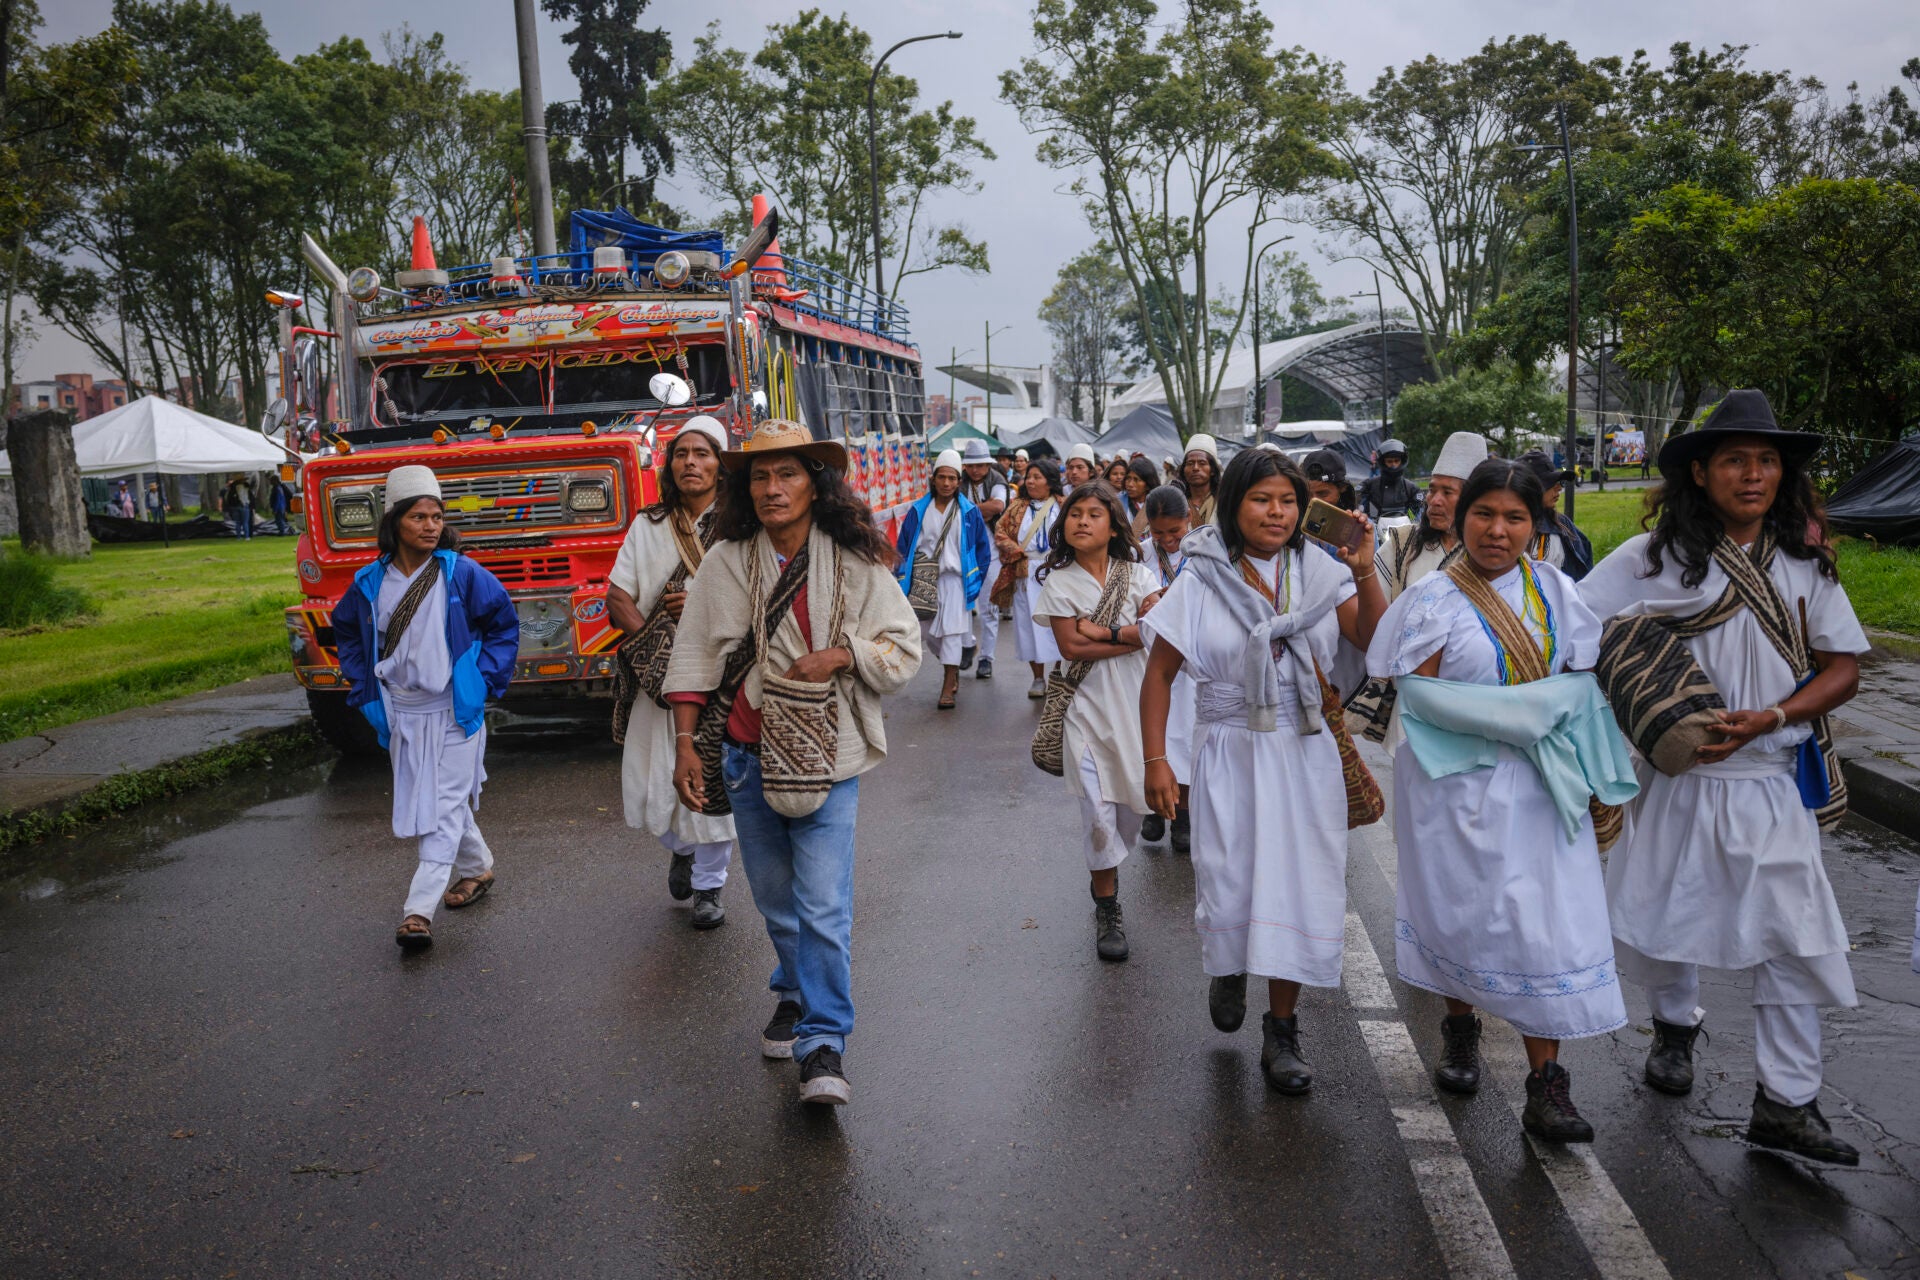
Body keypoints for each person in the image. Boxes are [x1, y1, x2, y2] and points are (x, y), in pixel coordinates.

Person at [1580, 390, 1870, 1165]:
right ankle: (1675, 1028)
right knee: (1667, 917)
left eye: (1767, 460)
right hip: (1679, 779)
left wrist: (1774, 717)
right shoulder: (1648, 562)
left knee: (1797, 940)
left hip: (1771, 781)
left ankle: (1786, 1100)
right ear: (1700, 473)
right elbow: (1575, 636)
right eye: (1736, 460)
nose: (1754, 474)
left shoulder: (1806, 566)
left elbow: (1844, 668)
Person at [1365, 458, 1629, 1142]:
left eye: (1516, 517)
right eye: (1485, 513)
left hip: (1542, 786)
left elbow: (1580, 684)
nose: (1497, 530)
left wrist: (1548, 713)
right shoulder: (1431, 599)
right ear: (1461, 515)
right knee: (1465, 913)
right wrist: (1526, 712)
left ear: (1535, 525)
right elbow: (1420, 697)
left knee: (1547, 926)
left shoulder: (1556, 592)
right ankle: (1460, 1027)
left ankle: (1547, 1085)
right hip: (1456, 788)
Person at [665, 419, 922, 1107]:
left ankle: (823, 1043)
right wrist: (688, 744)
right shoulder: (726, 561)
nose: (773, 488)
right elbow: (694, 655)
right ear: (746, 489)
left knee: (824, 907)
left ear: (817, 484)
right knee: (780, 908)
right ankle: (793, 987)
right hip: (746, 759)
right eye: (760, 476)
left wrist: (841, 655)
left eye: (788, 474)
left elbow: (903, 650)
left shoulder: (857, 560)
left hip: (829, 760)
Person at [1142, 449, 1385, 1095]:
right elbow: (1159, 676)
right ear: (1233, 505)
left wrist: (1364, 572)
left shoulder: (1322, 575)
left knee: (1301, 884)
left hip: (1304, 750)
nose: (1275, 513)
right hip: (1228, 749)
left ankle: (1282, 1031)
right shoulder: (1200, 577)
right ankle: (1228, 966)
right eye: (1260, 499)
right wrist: (1158, 761)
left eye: (1286, 500)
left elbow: (1376, 640)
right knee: (1229, 877)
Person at [332, 465, 519, 953]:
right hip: (401, 714)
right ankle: (477, 869)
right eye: (418, 517)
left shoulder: (461, 572)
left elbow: (503, 623)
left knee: (440, 809)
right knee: (444, 802)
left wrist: (483, 679)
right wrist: (363, 687)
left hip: (456, 712)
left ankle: (417, 911)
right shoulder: (368, 583)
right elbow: (348, 634)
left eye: (436, 516)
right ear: (395, 522)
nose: (430, 526)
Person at [606, 417, 736, 929]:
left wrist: (706, 606)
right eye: (681, 453)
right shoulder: (649, 524)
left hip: (721, 677)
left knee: (716, 784)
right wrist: (654, 652)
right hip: (656, 681)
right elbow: (618, 596)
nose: (691, 462)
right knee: (648, 779)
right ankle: (680, 846)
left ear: (720, 466)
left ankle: (709, 887)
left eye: (703, 453)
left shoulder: (740, 527)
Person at [1033, 481, 1156, 961]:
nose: (1082, 521)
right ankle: (1108, 909)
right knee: (1099, 819)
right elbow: (1072, 647)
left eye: (1093, 514)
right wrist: (1130, 635)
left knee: (1130, 812)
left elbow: (1155, 633)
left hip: (1136, 707)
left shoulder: (1139, 576)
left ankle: (1109, 876)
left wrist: (1105, 630)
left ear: (1113, 525)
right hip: (1085, 712)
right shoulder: (1059, 581)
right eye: (1074, 514)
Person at [896, 449, 993, 710]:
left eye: (952, 478)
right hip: (924, 581)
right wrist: (902, 577)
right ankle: (957, 659)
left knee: (950, 633)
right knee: (926, 633)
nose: (947, 483)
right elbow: (903, 546)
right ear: (934, 479)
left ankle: (948, 683)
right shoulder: (919, 510)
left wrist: (975, 579)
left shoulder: (969, 512)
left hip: (955, 582)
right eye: (942, 477)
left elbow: (982, 549)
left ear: (958, 481)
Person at [1136, 484, 1194, 851]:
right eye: (1159, 533)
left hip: (1191, 661)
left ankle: (1183, 815)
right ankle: (1155, 809)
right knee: (1156, 735)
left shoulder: (1205, 555)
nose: (1169, 540)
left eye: (1176, 531)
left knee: (1185, 737)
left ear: (1190, 520)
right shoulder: (1139, 556)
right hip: (1149, 657)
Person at [1375, 432, 1488, 604]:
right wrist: (1363, 571)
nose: (1434, 500)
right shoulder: (1402, 542)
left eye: (1447, 493)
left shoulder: (1491, 552)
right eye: (1432, 490)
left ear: (1473, 498)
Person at [995, 459, 1065, 699]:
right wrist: (1015, 551)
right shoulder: (1017, 507)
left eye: (1037, 477)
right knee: (1029, 625)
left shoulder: (1064, 506)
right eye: (1030, 477)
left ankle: (1059, 674)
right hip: (1026, 573)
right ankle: (1038, 677)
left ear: (1050, 480)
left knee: (1059, 624)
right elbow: (1000, 531)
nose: (1031, 481)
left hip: (1057, 572)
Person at [958, 438, 1009, 679]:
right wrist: (981, 507)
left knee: (989, 608)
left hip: (992, 552)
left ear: (987, 465)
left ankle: (987, 657)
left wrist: (964, 508)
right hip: (964, 552)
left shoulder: (997, 480)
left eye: (980, 464)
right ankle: (967, 643)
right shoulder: (959, 482)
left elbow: (998, 506)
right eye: (971, 465)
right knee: (963, 605)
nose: (975, 469)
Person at [1516, 450, 1594, 580]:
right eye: (1550, 482)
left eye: (1560, 482)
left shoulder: (1563, 524)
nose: (1559, 488)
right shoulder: (1507, 530)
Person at [1358, 438, 1420, 523]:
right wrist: (1367, 517)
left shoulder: (1411, 488)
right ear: (1383, 462)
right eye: (1389, 461)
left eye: (1396, 461)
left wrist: (1409, 519)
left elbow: (1416, 511)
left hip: (1405, 527)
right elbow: (1359, 505)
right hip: (1375, 526)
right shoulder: (1369, 485)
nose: (1393, 465)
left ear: (1402, 461)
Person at [1180, 435, 1222, 528]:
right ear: (1184, 469)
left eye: (1202, 463)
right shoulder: (1177, 502)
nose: (1195, 468)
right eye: (1190, 463)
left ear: (1212, 470)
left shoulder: (1223, 502)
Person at [1123, 457, 1160, 539]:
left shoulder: (1157, 504)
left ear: (1147, 484)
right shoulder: (1118, 502)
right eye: (1128, 478)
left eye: (1136, 480)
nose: (1130, 484)